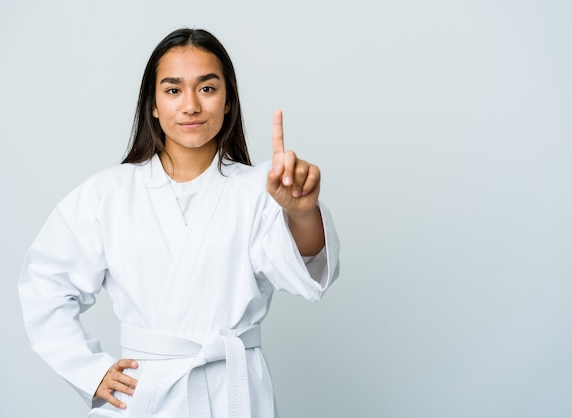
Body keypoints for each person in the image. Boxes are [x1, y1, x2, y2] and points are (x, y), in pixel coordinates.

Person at [18, 28, 340, 418]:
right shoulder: (108, 193)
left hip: (233, 394)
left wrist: (301, 211)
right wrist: (92, 372)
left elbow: (303, 270)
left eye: (207, 89)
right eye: (173, 90)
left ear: (228, 102)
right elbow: (44, 286)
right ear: (152, 104)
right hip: (147, 393)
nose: (190, 105)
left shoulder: (262, 188)